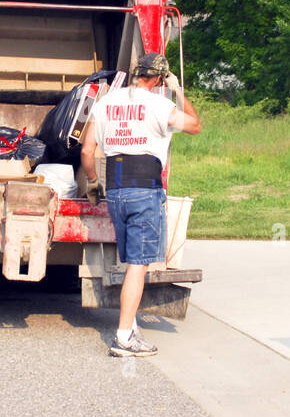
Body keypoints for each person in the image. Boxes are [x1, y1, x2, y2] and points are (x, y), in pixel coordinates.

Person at [81, 53, 201, 356]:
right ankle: (124, 337)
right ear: (159, 79)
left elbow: (87, 150)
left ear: (135, 74)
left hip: (117, 188)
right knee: (138, 265)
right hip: (144, 189)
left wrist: (94, 181)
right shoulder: (159, 103)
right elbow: (195, 125)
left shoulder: (107, 102)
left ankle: (130, 326)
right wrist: (178, 90)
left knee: (130, 260)